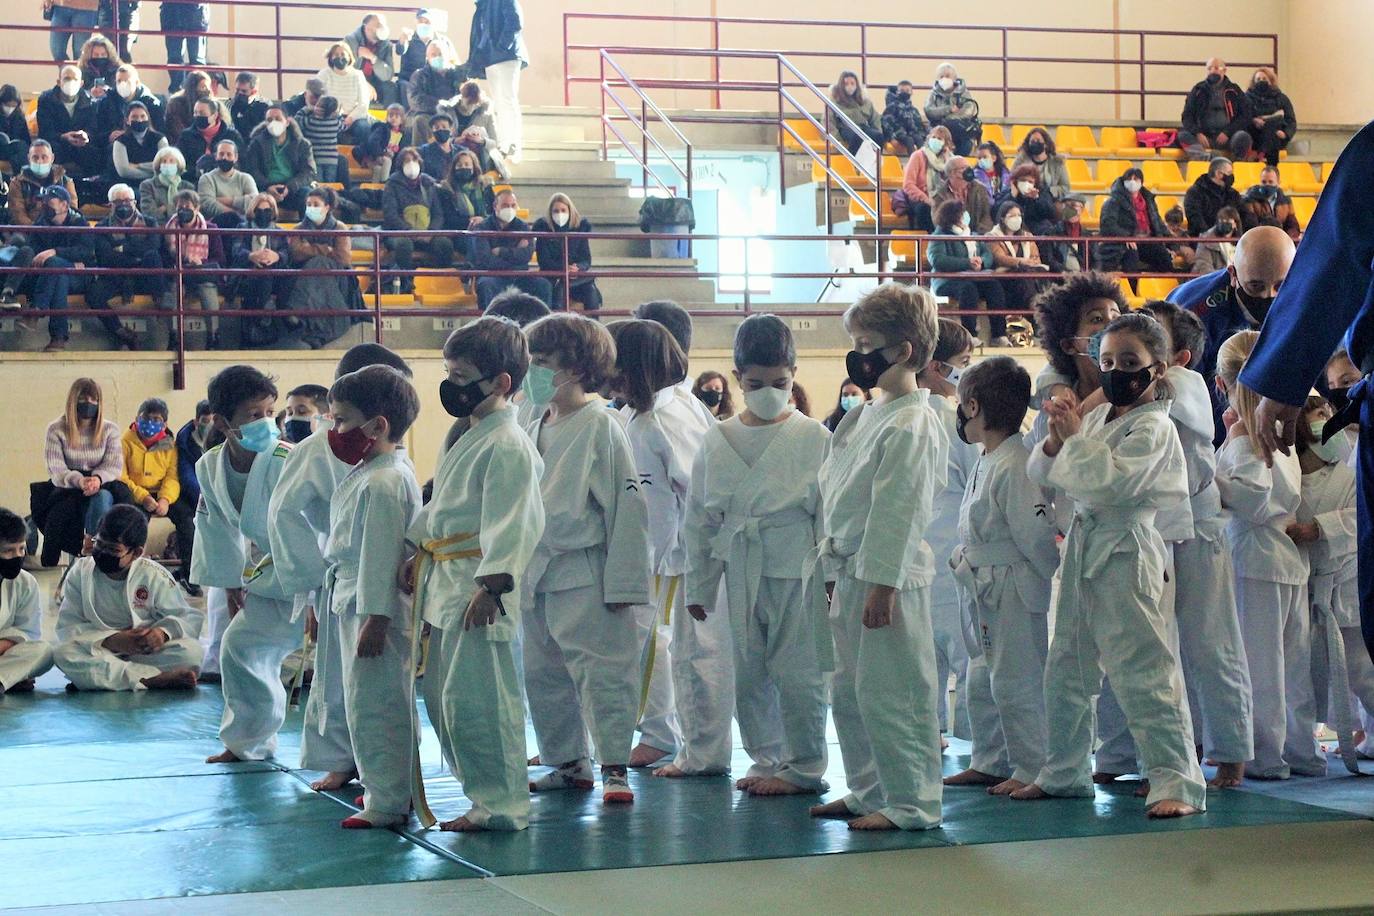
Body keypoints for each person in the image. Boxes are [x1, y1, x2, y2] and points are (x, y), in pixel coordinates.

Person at [1013, 312, 1206, 818]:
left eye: (1129, 362)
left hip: (1127, 547)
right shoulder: (1099, 417)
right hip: (1083, 546)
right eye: (1107, 362)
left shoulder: (1156, 428)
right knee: (1066, 670)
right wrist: (1057, 438)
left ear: (1157, 369)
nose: (1117, 370)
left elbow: (1112, 484)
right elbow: (1048, 474)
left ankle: (1177, 782)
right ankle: (1064, 773)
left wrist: (1073, 442)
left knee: (1144, 670)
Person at [806, 282, 946, 831]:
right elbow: (836, 493)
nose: (858, 355)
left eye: (866, 344)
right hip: (845, 567)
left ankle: (913, 802)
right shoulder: (867, 413)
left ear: (904, 351)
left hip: (886, 574)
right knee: (850, 692)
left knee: (895, 694)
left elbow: (900, 510)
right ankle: (867, 789)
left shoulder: (913, 420)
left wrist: (883, 585)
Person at [402, 317, 546, 831]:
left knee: (484, 700)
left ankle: (504, 804)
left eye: (461, 375)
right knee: (447, 701)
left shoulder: (508, 443)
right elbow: (442, 502)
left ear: (501, 382)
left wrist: (494, 584)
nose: (451, 386)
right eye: (449, 372)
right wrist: (417, 548)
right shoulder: (468, 432)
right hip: (446, 577)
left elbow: (518, 519)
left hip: (479, 586)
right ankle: (481, 797)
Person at [685, 313, 829, 797]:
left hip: (798, 565)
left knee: (799, 670)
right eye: (756, 383)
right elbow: (699, 521)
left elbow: (828, 513)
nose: (769, 391)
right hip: (739, 566)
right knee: (748, 672)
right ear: (736, 378)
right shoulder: (716, 437)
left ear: (794, 375)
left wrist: (831, 578)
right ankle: (767, 758)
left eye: (780, 383)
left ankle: (805, 765)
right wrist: (699, 585)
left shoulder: (814, 437)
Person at [517, 313, 651, 804]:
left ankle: (614, 766)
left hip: (586, 568)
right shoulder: (533, 419)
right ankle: (567, 762)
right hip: (535, 568)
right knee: (542, 672)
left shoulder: (602, 425)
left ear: (573, 369)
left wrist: (626, 586)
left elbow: (628, 507)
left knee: (602, 671)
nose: (532, 370)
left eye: (542, 362)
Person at [269, 345, 412, 792]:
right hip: (336, 576)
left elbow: (389, 530)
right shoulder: (317, 449)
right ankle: (349, 762)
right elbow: (284, 513)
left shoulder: (389, 461)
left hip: (370, 584)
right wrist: (308, 580)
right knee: (342, 683)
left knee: (370, 688)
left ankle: (386, 782)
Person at [1135, 300, 1254, 787]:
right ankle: (1167, 759)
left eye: (1153, 337)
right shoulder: (1129, 389)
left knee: (1211, 643)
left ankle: (1231, 752)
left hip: (1199, 528)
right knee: (1156, 650)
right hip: (1153, 528)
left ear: (1182, 355)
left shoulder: (1187, 386)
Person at [610, 319, 731, 779]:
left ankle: (699, 752)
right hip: (652, 557)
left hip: (682, 559)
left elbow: (701, 494)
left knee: (696, 658)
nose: (611, 377)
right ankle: (662, 735)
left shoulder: (670, 417)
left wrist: (693, 557)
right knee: (656, 652)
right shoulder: (636, 414)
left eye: (617, 366)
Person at [1214, 330, 1324, 779]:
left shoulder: (1247, 435)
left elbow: (1253, 499)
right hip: (1283, 559)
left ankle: (1265, 755)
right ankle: (1299, 751)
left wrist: (1210, 480)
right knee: (1291, 664)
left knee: (1260, 664)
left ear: (1221, 384)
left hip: (1255, 557)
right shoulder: (1279, 429)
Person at [319, 365, 424, 829]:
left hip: (371, 606)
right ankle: (384, 791)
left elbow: (381, 554)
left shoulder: (385, 480)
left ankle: (388, 799)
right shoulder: (373, 471)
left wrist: (376, 619)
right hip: (351, 598)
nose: (334, 430)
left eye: (341, 420)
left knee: (376, 704)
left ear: (377, 426)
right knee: (365, 701)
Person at [946, 356, 1056, 793]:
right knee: (981, 678)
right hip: (982, 580)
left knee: (1018, 680)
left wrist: (1040, 581)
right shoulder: (989, 457)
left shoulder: (1017, 462)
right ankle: (990, 759)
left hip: (1012, 583)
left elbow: (1035, 536)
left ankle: (1033, 767)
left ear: (973, 407)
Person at [195, 366, 295, 763]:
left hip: (313, 575)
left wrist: (313, 591)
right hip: (269, 576)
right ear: (222, 422)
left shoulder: (289, 459)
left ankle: (344, 759)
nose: (268, 423)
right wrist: (230, 582)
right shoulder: (209, 465)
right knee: (239, 647)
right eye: (255, 415)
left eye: (272, 412)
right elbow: (216, 528)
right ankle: (247, 741)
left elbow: (317, 528)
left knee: (336, 668)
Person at [1291, 393, 1366, 771]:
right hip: (1305, 587)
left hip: (1345, 582)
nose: (1326, 419)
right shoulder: (1287, 474)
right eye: (1317, 414)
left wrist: (1319, 528)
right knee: (1305, 669)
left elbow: (1362, 520)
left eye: (1328, 412)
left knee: (1361, 666)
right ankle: (1304, 742)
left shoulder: (1350, 476)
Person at [1167, 225, 1295, 443]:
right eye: (1256, 286)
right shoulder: (1193, 313)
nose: (1268, 295)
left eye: (1280, 286)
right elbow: (1181, 396)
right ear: (1233, 275)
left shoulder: (1303, 299)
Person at [54, 505, 202, 691]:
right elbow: (68, 626)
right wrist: (112, 640)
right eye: (99, 544)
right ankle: (149, 679)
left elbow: (186, 618)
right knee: (63, 653)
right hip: (100, 649)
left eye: (113, 549)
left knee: (192, 653)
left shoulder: (153, 574)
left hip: (143, 652)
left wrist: (162, 634)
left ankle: (107, 678)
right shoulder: (80, 572)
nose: (103, 552)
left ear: (136, 553)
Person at [914, 319, 977, 746]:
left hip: (914, 561)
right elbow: (982, 480)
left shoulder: (890, 413)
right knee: (972, 659)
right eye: (964, 364)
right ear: (938, 367)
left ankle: (927, 736)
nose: (968, 373)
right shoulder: (960, 422)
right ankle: (984, 749)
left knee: (921, 664)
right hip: (954, 559)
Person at [6, 184, 92, 351]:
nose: (44, 205)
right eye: (42, 202)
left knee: (54, 266)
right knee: (58, 274)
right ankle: (58, 337)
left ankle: (36, 312)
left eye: (49, 202)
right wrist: (58, 259)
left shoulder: (79, 222)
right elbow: (34, 254)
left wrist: (54, 252)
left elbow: (86, 253)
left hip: (80, 275)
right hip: (54, 273)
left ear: (64, 205)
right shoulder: (41, 223)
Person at [119, 397, 196, 573]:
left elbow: (172, 476)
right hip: (136, 493)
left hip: (164, 495)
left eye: (156, 420)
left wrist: (165, 500)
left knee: (186, 519)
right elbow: (121, 477)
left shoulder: (170, 445)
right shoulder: (124, 442)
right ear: (137, 418)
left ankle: (188, 572)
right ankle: (133, 570)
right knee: (136, 522)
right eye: (145, 418)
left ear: (164, 423)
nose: (150, 423)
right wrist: (143, 497)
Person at [86, 182, 162, 351]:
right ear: (111, 205)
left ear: (135, 202)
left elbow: (152, 247)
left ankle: (163, 307)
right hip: (116, 276)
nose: (124, 205)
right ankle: (121, 332)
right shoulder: (102, 227)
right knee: (93, 294)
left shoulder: (149, 223)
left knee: (153, 257)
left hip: (143, 275)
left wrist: (123, 249)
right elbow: (106, 257)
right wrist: (136, 258)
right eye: (119, 201)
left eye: (128, 200)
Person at [928, 198, 1007, 348]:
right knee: (968, 289)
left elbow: (987, 254)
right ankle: (970, 335)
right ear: (952, 216)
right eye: (962, 213)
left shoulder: (974, 234)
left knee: (994, 287)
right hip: (947, 280)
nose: (965, 216)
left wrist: (981, 262)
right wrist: (967, 263)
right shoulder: (938, 236)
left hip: (975, 277)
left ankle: (999, 335)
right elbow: (938, 260)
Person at [286, 186, 356, 349]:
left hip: (338, 279)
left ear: (327, 207)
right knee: (318, 263)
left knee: (318, 263)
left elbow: (344, 258)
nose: (311, 208)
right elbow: (295, 253)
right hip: (306, 278)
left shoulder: (339, 228)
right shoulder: (298, 229)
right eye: (308, 204)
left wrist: (310, 248)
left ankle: (297, 308)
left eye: (316, 204)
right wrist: (327, 249)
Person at [383, 146, 454, 294]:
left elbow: (438, 214)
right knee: (403, 245)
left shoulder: (429, 185)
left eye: (414, 160)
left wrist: (431, 232)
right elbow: (390, 215)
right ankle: (405, 284)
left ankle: (441, 285)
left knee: (444, 244)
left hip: (427, 233)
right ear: (400, 165)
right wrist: (409, 232)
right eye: (406, 161)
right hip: (400, 234)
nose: (411, 163)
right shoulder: (391, 185)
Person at [160, 189, 224, 350]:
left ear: (197, 208)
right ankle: (174, 337)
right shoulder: (168, 229)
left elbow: (219, 258)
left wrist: (201, 261)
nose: (183, 210)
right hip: (178, 273)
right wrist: (181, 260)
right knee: (174, 291)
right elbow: (163, 257)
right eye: (180, 207)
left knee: (208, 291)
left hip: (201, 274)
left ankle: (213, 336)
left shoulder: (210, 228)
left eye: (187, 207)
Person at [0, 507, 55, 694]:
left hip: (3, 653)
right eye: (8, 551)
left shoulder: (25, 582)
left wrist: (4, 645)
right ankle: (10, 678)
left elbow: (29, 632)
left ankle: (2, 680)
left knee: (44, 651)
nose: (17, 557)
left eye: (21, 549)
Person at [230, 193, 293, 348]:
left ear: (273, 212)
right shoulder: (243, 228)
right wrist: (252, 256)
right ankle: (263, 316)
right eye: (259, 210)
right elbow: (236, 252)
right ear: (253, 210)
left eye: (267, 210)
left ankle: (262, 320)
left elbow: (287, 254)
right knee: (262, 275)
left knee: (270, 273)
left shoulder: (279, 231)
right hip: (247, 274)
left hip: (274, 276)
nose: (263, 214)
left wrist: (276, 256)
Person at [467, 0, 527, 161]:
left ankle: (513, 144)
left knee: (507, 99)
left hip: (505, 55)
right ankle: (504, 143)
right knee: (499, 102)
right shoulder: (482, 5)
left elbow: (514, 22)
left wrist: (501, 46)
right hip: (491, 57)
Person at [473, 188, 551, 309]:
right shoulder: (482, 227)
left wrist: (500, 251)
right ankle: (488, 326)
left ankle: (539, 326)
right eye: (505, 205)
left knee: (543, 285)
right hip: (493, 276)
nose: (509, 208)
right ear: (495, 206)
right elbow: (485, 260)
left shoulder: (523, 227)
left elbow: (526, 256)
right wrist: (515, 254)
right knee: (485, 285)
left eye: (513, 205)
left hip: (519, 276)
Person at [242, 105, 317, 216]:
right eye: (269, 120)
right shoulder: (256, 144)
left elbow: (308, 171)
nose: (273, 122)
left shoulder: (302, 144)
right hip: (265, 190)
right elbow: (252, 169)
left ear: (287, 122)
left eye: (278, 119)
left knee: (308, 195)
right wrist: (268, 186)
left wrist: (290, 187)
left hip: (293, 190)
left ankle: (306, 231)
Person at [1094, 167, 1172, 274]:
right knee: (1131, 257)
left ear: (1141, 182)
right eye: (1129, 179)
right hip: (1122, 244)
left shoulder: (1148, 200)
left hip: (1147, 240)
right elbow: (1107, 225)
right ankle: (1133, 289)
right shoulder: (1113, 201)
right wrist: (1126, 236)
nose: (1132, 182)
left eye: (1136, 179)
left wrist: (1173, 244)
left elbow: (1158, 223)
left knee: (1163, 256)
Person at [534, 192, 601, 311]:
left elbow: (586, 259)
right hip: (552, 277)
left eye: (563, 210)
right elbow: (544, 262)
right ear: (550, 213)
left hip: (575, 278)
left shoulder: (580, 228)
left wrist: (577, 268)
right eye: (556, 211)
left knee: (591, 291)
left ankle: (595, 326)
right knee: (559, 289)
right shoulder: (543, 228)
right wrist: (565, 269)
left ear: (570, 211)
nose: (560, 214)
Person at [37, 64, 102, 182]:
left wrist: (85, 135)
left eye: (75, 79)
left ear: (81, 83)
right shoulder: (46, 100)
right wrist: (63, 137)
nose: (71, 82)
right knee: (51, 149)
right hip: (57, 142)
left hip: (81, 145)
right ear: (58, 81)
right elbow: (45, 130)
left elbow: (93, 128)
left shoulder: (90, 101)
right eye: (67, 78)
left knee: (94, 153)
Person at [1179, 58, 1251, 160]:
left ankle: (1235, 163)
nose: (1212, 71)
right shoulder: (1197, 90)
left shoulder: (1234, 90)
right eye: (1209, 68)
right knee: (1183, 135)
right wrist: (1198, 133)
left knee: (1243, 136)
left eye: (1216, 68)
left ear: (1224, 70)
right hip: (1203, 139)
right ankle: (1204, 158)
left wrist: (1227, 132)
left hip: (1229, 138)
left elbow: (1246, 115)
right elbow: (1186, 116)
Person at [988, 200, 1051, 319]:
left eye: (1019, 215)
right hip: (1006, 274)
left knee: (1039, 274)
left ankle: (1040, 309)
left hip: (1028, 272)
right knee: (1023, 275)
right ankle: (1034, 309)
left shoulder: (1027, 236)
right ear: (1002, 218)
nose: (1016, 218)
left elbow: (1035, 257)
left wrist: (1028, 263)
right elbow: (999, 258)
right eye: (1012, 216)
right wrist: (1020, 261)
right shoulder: (992, 236)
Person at [317, 43, 375, 147]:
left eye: (343, 54)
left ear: (349, 56)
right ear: (330, 57)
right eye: (336, 54)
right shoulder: (323, 74)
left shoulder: (358, 75)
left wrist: (350, 118)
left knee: (364, 128)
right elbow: (318, 98)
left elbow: (364, 103)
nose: (340, 57)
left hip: (355, 117)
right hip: (331, 117)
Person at [408, 37, 464, 144]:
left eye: (440, 54)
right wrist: (440, 105)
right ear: (427, 58)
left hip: (456, 113)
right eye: (433, 55)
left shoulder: (459, 74)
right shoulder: (419, 76)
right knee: (419, 120)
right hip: (430, 114)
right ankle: (421, 157)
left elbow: (468, 94)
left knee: (485, 113)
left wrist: (455, 104)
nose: (437, 57)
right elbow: (415, 100)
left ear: (447, 56)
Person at [176, 98, 244, 182]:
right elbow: (180, 161)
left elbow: (242, 161)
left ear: (215, 115)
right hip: (193, 180)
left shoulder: (232, 135)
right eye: (195, 112)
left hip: (226, 180)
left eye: (202, 113)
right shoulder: (186, 135)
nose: (197, 116)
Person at [900, 125, 952, 232]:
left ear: (945, 144)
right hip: (920, 198)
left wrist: (947, 161)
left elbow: (953, 183)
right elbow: (908, 185)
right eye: (933, 137)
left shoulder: (950, 160)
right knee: (925, 209)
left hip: (941, 198)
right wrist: (926, 199)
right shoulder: (918, 156)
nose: (935, 141)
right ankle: (931, 241)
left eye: (939, 139)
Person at [96, 64, 164, 146]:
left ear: (137, 82)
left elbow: (159, 132)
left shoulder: (152, 103)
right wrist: (109, 136)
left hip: (144, 145)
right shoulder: (107, 102)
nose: (122, 84)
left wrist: (131, 134)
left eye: (127, 81)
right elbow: (98, 130)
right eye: (119, 81)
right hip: (113, 145)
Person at [343, 13, 401, 107]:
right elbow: (345, 71)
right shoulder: (350, 41)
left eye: (384, 25)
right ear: (367, 27)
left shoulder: (386, 45)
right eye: (378, 25)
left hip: (375, 81)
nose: (383, 28)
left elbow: (388, 75)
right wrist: (363, 83)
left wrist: (373, 58)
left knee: (390, 87)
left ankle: (387, 119)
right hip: (355, 81)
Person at [923, 62, 981, 156]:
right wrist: (949, 109)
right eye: (941, 76)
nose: (944, 79)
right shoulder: (934, 93)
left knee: (966, 144)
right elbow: (929, 110)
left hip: (959, 131)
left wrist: (951, 118)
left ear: (954, 78)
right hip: (939, 130)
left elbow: (969, 109)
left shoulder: (963, 92)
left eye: (947, 76)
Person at [197, 139, 257, 227]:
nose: (224, 157)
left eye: (229, 154)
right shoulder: (206, 178)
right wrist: (235, 213)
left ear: (235, 157)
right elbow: (207, 204)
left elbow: (254, 202)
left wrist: (224, 200)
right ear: (216, 156)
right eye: (221, 154)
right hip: (215, 226)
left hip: (243, 226)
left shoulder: (245, 178)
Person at [1243, 68, 1295, 167]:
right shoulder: (1246, 98)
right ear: (1254, 82)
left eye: (1264, 78)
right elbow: (1242, 117)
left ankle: (1264, 159)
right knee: (1272, 126)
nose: (1261, 81)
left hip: (1276, 135)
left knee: (1274, 126)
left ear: (1271, 80)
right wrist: (1253, 120)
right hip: (1254, 134)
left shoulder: (1282, 98)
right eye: (1258, 79)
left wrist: (1286, 134)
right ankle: (1266, 161)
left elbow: (1291, 121)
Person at [293, 95, 345, 185]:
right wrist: (337, 114)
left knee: (318, 185)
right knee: (330, 185)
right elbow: (344, 125)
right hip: (332, 159)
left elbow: (296, 120)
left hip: (315, 158)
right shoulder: (335, 123)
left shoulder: (310, 122)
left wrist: (308, 108)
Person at [1184, 157, 1242, 236]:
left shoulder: (1233, 194)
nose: (1231, 176)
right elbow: (1195, 219)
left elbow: (1241, 215)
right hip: (1203, 240)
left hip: (1230, 240)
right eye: (1229, 173)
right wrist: (1212, 236)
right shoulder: (1195, 192)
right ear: (1218, 174)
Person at [933, 156, 992, 234]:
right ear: (952, 173)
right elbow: (938, 221)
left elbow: (986, 216)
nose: (969, 170)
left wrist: (977, 234)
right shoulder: (940, 195)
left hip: (978, 237)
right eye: (964, 168)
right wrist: (959, 232)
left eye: (968, 167)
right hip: (952, 238)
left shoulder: (980, 189)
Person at [110, 101, 166, 182]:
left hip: (156, 184)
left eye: (143, 116)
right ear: (127, 120)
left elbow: (165, 166)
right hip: (130, 185)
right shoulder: (120, 142)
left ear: (148, 118)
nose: (139, 120)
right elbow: (124, 171)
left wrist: (137, 166)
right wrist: (154, 172)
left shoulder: (160, 139)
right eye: (134, 117)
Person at [829, 70, 882, 155]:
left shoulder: (865, 100)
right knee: (857, 137)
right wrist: (837, 139)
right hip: (845, 129)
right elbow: (829, 122)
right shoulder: (834, 101)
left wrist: (878, 131)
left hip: (863, 127)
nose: (850, 86)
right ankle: (851, 164)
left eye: (852, 83)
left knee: (878, 136)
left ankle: (875, 164)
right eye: (846, 84)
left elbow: (874, 118)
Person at [160, 1, 209, 93]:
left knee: (196, 59)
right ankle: (178, 92)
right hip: (175, 13)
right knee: (176, 59)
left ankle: (197, 91)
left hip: (191, 12)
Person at [138, 146, 194, 224]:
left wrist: (165, 208)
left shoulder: (188, 187)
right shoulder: (147, 185)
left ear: (178, 164)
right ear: (159, 165)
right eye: (164, 161)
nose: (167, 164)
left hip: (182, 227)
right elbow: (149, 214)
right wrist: (175, 209)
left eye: (171, 161)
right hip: (157, 228)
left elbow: (190, 214)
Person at [1239, 169, 1301, 239]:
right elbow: (1250, 226)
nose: (1267, 184)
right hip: (1259, 241)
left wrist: (1285, 239)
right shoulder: (1249, 201)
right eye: (1264, 182)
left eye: (1270, 182)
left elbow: (1293, 225)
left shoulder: (1286, 201)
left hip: (1281, 241)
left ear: (1278, 183)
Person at [353, 103, 407, 182]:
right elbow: (372, 142)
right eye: (391, 116)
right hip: (373, 157)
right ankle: (385, 184)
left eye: (396, 116)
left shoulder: (402, 134)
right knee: (387, 161)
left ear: (402, 119)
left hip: (386, 162)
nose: (393, 118)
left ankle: (375, 189)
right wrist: (380, 154)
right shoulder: (382, 128)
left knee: (378, 169)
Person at [1012, 128, 1070, 199]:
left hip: (1051, 199)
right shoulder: (1021, 160)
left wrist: (1048, 191)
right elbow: (1011, 179)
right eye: (1032, 141)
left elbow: (1065, 187)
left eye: (1038, 141)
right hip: (1025, 198)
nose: (1035, 143)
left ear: (1045, 144)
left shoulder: (1057, 162)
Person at [999, 165, 1058, 235]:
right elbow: (997, 213)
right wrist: (1012, 196)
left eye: (1030, 181)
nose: (1026, 183)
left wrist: (1036, 199)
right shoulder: (1008, 191)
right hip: (1012, 227)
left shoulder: (1042, 191)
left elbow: (1051, 213)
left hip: (1036, 229)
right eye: (1023, 180)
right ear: (1016, 181)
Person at [164, 70, 221, 142]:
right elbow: (178, 132)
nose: (208, 91)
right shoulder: (175, 104)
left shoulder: (213, 104)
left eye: (208, 87)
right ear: (193, 88)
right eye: (203, 87)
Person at [881, 80, 927, 155]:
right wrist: (891, 138)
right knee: (909, 140)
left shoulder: (913, 110)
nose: (905, 92)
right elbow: (886, 124)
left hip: (912, 134)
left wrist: (923, 135)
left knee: (919, 139)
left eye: (907, 90)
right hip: (898, 134)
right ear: (897, 92)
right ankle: (913, 163)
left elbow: (919, 126)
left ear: (912, 92)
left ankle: (924, 162)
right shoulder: (891, 107)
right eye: (902, 90)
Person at [398, 8, 444, 82]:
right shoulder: (409, 37)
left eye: (427, 22)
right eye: (420, 21)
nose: (423, 24)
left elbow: (453, 60)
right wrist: (403, 40)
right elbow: (399, 51)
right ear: (416, 22)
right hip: (409, 80)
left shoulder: (441, 40)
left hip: (433, 80)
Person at [1192, 206, 1240, 274]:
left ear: (1235, 224)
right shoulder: (1206, 240)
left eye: (1227, 221)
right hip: (1217, 281)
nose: (1224, 222)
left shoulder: (1241, 242)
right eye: (1221, 220)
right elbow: (1204, 267)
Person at [0, 85, 32, 175]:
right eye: (7, 105)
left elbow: (26, 141)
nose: (10, 108)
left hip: (14, 153)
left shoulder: (19, 118)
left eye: (13, 106)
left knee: (21, 146)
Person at [418, 113, 460, 180]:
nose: (440, 129)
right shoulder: (424, 151)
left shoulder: (461, 151)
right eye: (437, 127)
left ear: (451, 130)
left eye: (444, 127)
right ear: (432, 131)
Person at [230, 72, 270, 140]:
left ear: (254, 92)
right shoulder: (232, 104)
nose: (239, 93)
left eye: (244, 91)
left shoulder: (264, 107)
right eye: (237, 90)